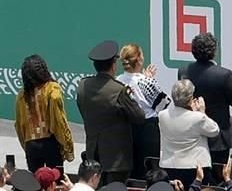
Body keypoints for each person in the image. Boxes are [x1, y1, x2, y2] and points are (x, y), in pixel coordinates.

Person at [76, 40, 147, 185]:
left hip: (92, 155)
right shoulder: (118, 90)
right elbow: (139, 117)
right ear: (113, 65)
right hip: (117, 161)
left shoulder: (83, 85)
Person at [177, 33, 232, 172]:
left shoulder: (184, 71)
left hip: (191, 134)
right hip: (218, 138)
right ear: (214, 51)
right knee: (219, 178)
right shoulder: (223, 74)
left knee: (195, 176)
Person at [116, 44, 168, 180]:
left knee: (132, 170)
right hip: (148, 131)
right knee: (150, 172)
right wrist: (149, 79)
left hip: (126, 130)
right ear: (139, 60)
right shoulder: (146, 82)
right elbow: (163, 105)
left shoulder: (117, 81)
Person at [15, 55, 74, 172]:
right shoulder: (52, 89)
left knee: (36, 183)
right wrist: (68, 147)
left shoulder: (21, 95)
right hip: (51, 143)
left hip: (31, 145)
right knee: (56, 182)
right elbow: (59, 122)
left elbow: (19, 126)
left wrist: (26, 146)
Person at [158, 79, 220, 188]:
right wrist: (202, 112)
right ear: (190, 99)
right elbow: (214, 130)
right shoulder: (198, 118)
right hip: (195, 169)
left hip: (169, 167)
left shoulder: (162, 115)